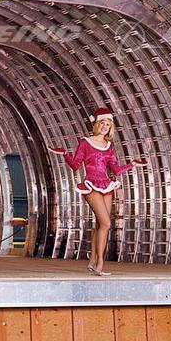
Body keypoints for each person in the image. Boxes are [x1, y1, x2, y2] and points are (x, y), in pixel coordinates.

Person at [48, 106, 147, 276]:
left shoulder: (109, 146)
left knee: (101, 225)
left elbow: (116, 170)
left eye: (108, 124)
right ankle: (100, 262)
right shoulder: (85, 142)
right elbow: (76, 165)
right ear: (96, 124)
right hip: (91, 185)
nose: (105, 127)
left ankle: (93, 261)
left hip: (106, 186)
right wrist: (65, 154)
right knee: (106, 224)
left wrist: (133, 164)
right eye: (102, 123)